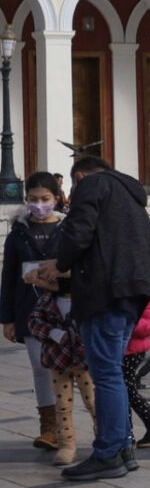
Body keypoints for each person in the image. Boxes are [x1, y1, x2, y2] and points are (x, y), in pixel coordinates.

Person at [37, 156, 150, 481]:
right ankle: (123, 450)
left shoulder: (93, 184)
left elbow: (78, 233)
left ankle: (107, 454)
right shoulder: (131, 195)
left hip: (104, 296)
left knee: (106, 376)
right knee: (112, 373)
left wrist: (60, 263)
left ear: (81, 175)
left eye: (73, 186)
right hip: (131, 294)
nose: (72, 194)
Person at [0, 171, 64, 451]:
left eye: (45, 199)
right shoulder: (18, 235)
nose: (39, 205)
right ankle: (49, 427)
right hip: (29, 308)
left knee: (69, 369)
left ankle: (67, 424)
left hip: (64, 306)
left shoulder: (68, 230)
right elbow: (8, 277)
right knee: (40, 367)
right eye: (33, 199)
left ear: (57, 199)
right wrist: (7, 318)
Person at [27, 285, 96, 466]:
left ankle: (103, 440)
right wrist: (53, 333)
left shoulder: (86, 295)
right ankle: (66, 445)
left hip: (83, 361)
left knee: (93, 402)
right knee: (63, 405)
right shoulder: (47, 300)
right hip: (57, 360)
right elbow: (34, 322)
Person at [124, 293, 150, 449]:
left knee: (126, 392)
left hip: (132, 350)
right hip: (126, 349)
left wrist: (126, 320)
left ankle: (130, 435)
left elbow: (148, 327)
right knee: (127, 391)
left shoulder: (147, 298)